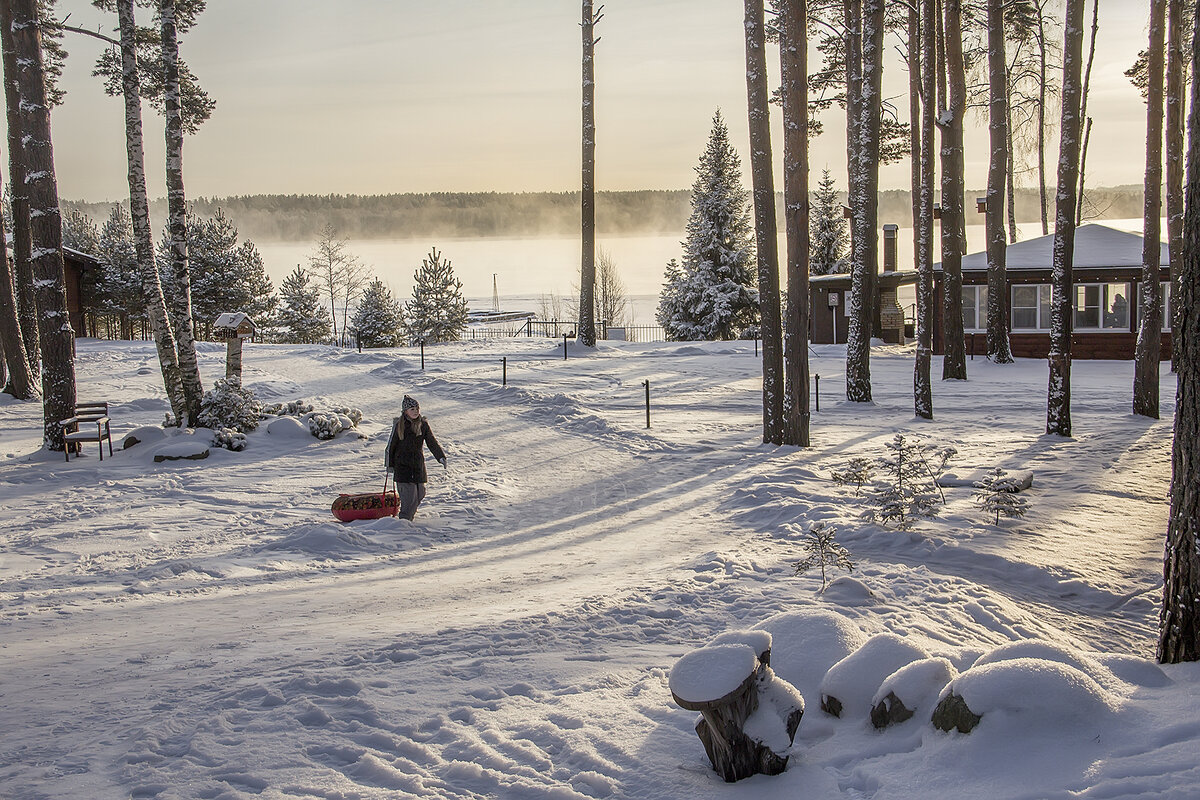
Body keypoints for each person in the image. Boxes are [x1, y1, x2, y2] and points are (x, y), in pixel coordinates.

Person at [385, 395, 446, 520]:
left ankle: (407, 520)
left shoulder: (423, 425)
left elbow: (431, 442)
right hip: (402, 465)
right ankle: (404, 522)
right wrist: (389, 465)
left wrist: (440, 456)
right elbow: (391, 446)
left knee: (420, 493)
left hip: (418, 465)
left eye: (417, 408)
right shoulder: (399, 425)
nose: (415, 411)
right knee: (409, 497)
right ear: (405, 411)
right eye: (412, 409)